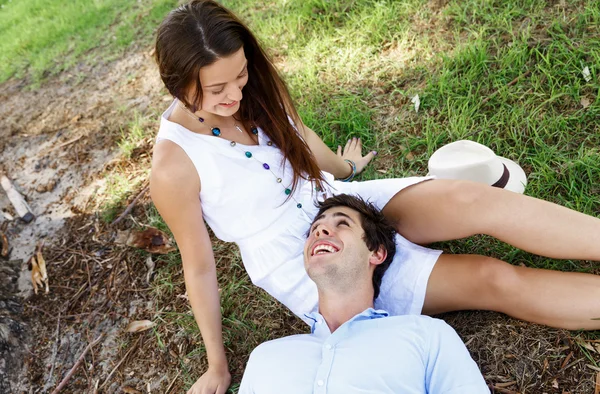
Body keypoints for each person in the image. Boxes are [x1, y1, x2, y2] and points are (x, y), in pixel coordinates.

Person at [150, 1, 600, 392]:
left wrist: (344, 170)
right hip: (300, 256)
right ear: (179, 85)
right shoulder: (174, 166)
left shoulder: (253, 87)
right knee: (491, 278)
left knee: (475, 200)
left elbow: (297, 133)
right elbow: (200, 265)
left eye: (241, 74)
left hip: (336, 198)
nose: (236, 93)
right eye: (217, 89)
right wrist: (217, 365)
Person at [239, 194, 489, 393]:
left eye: (342, 224)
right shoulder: (265, 357)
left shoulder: (426, 336)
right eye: (315, 228)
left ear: (376, 253)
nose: (320, 231)